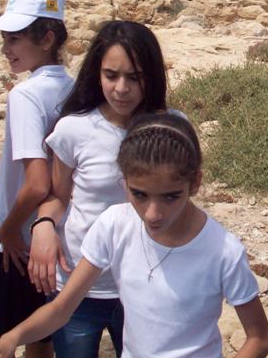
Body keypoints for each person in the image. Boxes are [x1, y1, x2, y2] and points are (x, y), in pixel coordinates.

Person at [0, 111, 268, 358]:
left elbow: (259, 338)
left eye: (170, 197)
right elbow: (62, 308)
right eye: (139, 194)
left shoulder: (223, 251)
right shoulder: (115, 225)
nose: (153, 214)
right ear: (124, 182)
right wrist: (11, 338)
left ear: (195, 183)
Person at [27, 20, 170, 358]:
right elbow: (58, 196)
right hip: (79, 285)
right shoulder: (73, 129)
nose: (121, 88)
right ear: (96, 73)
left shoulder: (169, 129)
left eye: (134, 77)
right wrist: (43, 227)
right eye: (111, 75)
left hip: (145, 283)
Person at [0, 0, 73, 358]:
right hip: (53, 238)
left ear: (48, 38)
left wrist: (7, 229)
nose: (5, 48)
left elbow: (36, 184)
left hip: (19, 241)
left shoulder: (25, 95)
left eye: (14, 38)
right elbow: (52, 162)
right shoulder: (72, 88)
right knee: (41, 338)